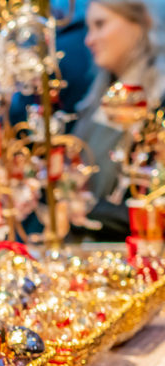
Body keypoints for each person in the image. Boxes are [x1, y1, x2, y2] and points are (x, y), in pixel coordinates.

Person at [70, 0, 165, 240]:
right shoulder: (95, 99)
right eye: (89, 28)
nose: (88, 40)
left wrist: (89, 211)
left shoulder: (159, 101)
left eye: (100, 25)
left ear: (142, 22)